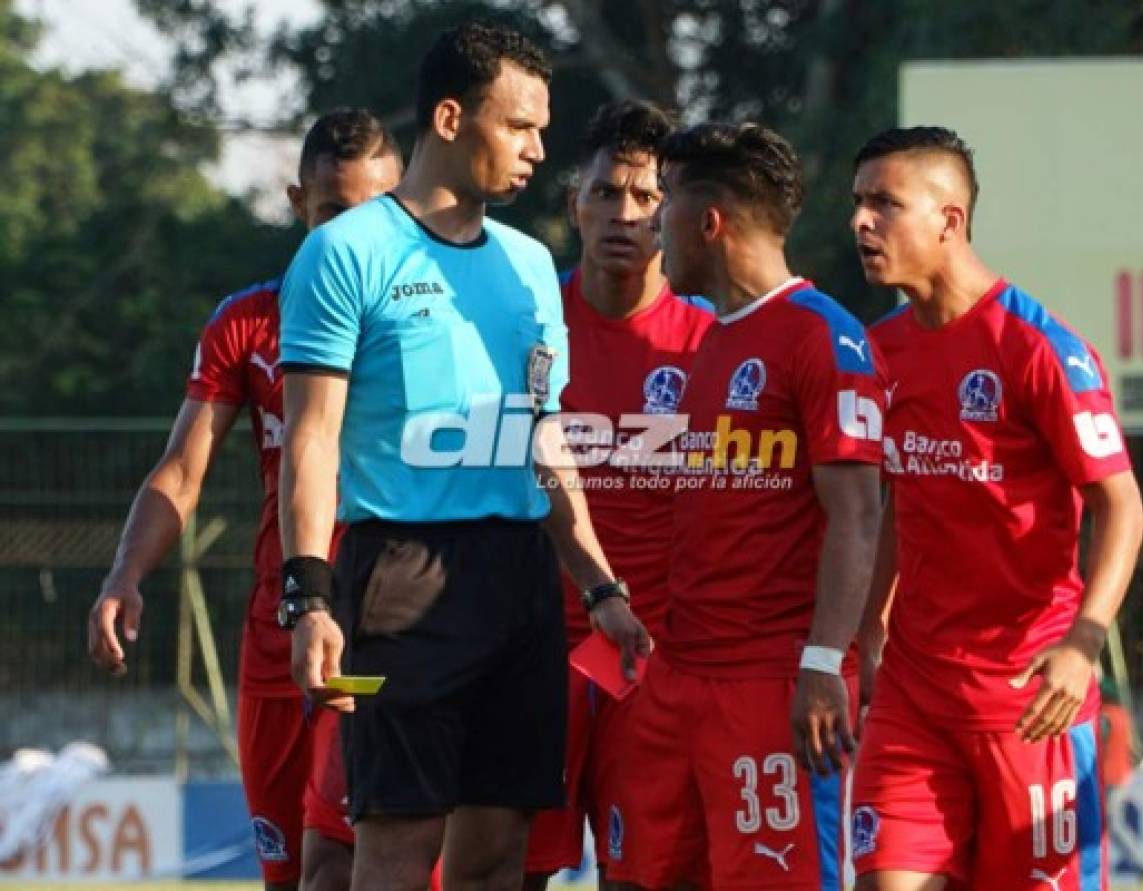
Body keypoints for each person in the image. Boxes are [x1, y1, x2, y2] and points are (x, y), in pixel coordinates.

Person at [275, 22, 649, 891]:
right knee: (398, 852)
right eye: (519, 126)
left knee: (498, 860)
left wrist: (599, 586)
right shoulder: (345, 252)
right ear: (450, 117)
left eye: (541, 128)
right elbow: (311, 436)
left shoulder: (529, 265)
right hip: (399, 572)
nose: (538, 149)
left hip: (521, 581)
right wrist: (310, 598)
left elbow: (544, 438)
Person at [86, 109, 403, 891]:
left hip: (387, 626)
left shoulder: (422, 321)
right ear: (301, 204)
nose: (353, 234)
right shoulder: (248, 322)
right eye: (333, 212)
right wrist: (123, 575)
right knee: (291, 873)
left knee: (370, 864)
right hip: (280, 633)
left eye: (373, 213)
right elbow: (181, 470)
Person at [848, 126, 1143, 891]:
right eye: (858, 203)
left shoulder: (1038, 347)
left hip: (1028, 702)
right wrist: (871, 629)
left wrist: (1084, 642)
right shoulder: (881, 351)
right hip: (915, 697)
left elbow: (1122, 506)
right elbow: (894, 500)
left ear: (949, 220)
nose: (861, 222)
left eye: (885, 203)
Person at [606, 122, 885, 891]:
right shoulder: (711, 343)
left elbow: (860, 513)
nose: (650, 226)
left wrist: (826, 661)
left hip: (772, 685)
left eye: (662, 208)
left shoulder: (823, 336)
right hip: (679, 675)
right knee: (640, 878)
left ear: (709, 222)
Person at [521, 100, 714, 891]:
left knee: (642, 879)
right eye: (605, 194)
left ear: (674, 211)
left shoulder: (712, 341)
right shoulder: (529, 328)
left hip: (657, 657)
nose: (623, 216)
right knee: (507, 870)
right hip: (532, 651)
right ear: (575, 203)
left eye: (645, 198)